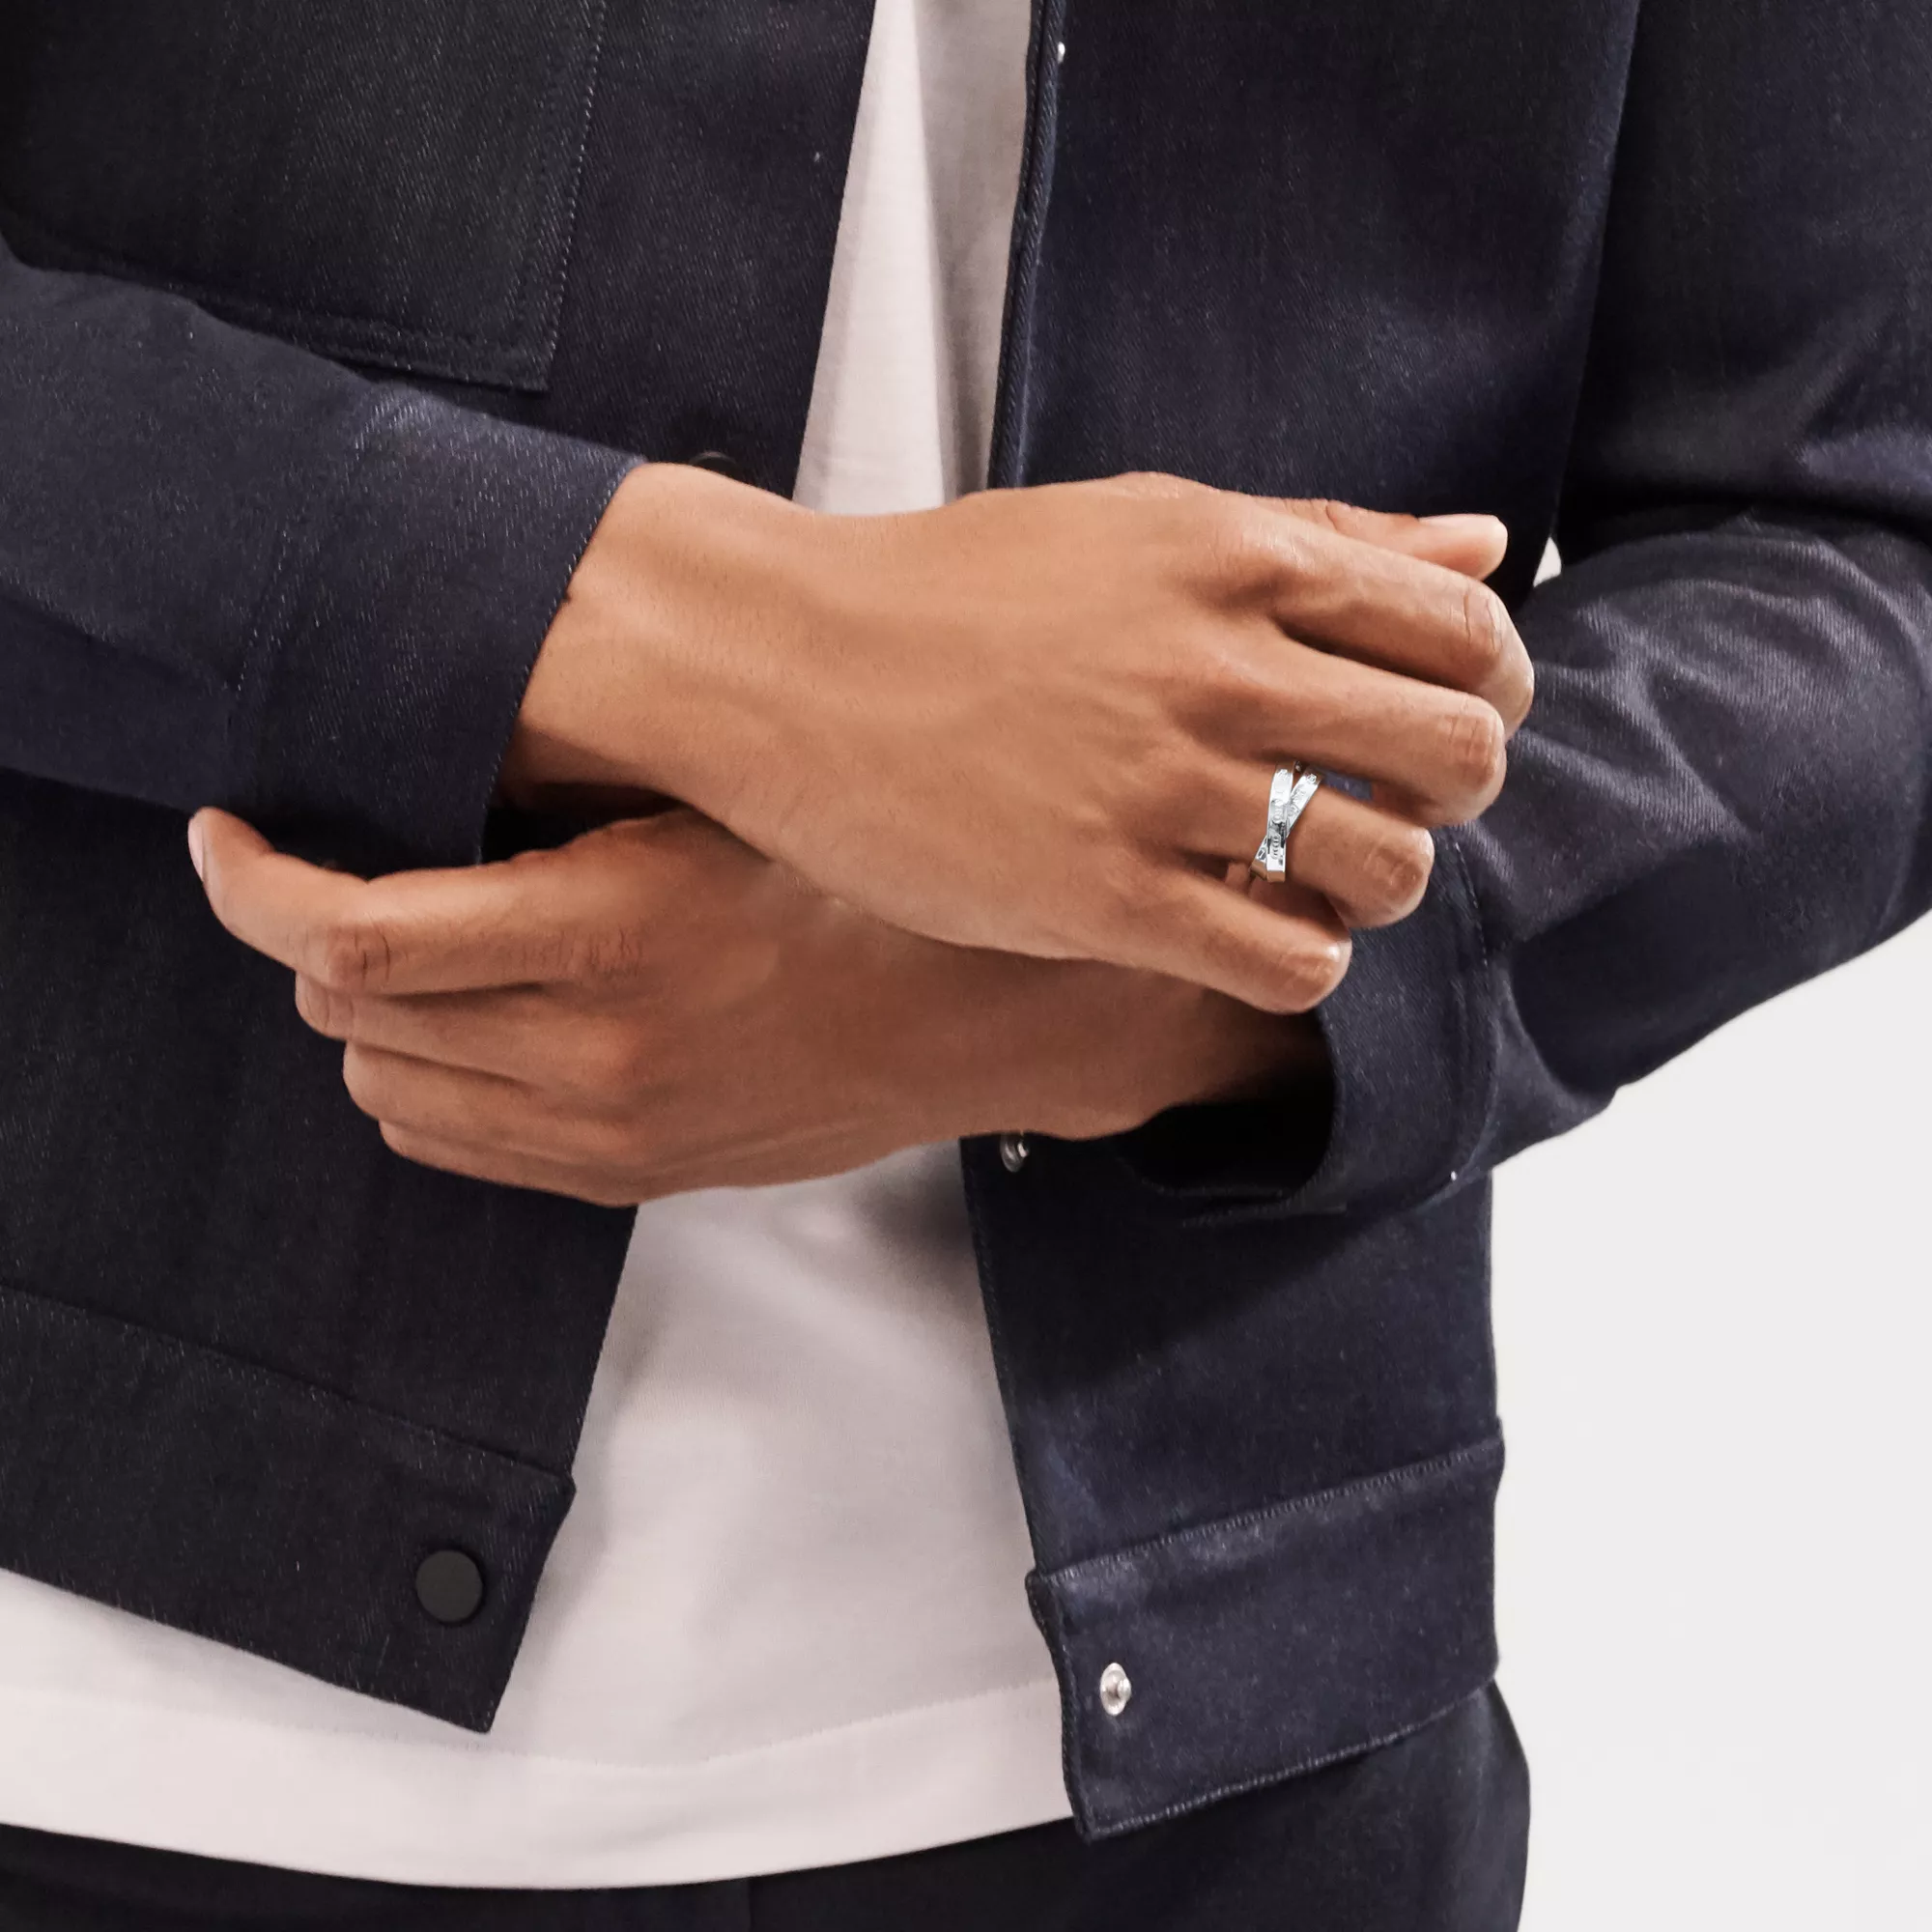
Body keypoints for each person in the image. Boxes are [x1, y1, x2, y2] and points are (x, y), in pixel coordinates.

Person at [1, 3, 1928, 1926]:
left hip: (1241, 1793)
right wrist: (715, 640)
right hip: (106, 1728)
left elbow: (1861, 553)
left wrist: (1136, 991)